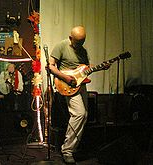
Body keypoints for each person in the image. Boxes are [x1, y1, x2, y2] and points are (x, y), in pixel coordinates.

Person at [49, 26, 108, 164]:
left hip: (80, 85)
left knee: (85, 115)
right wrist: (65, 77)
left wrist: (100, 67)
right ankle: (67, 150)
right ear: (70, 38)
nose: (80, 45)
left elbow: (85, 69)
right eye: (77, 42)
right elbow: (51, 66)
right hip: (67, 85)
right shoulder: (61, 46)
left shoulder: (83, 51)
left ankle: (71, 148)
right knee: (79, 114)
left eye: (82, 42)